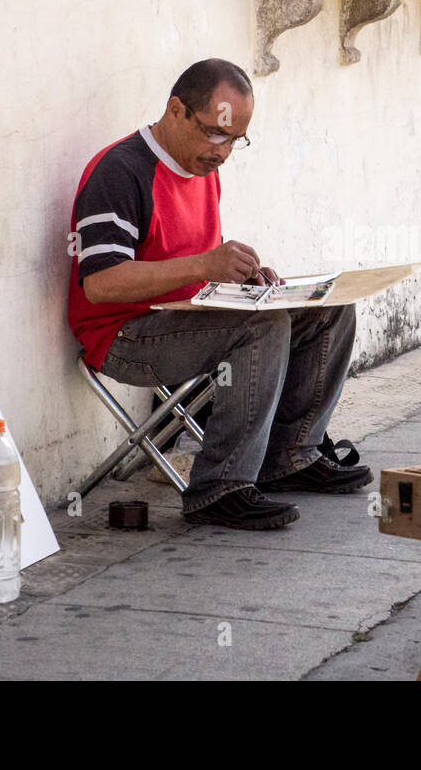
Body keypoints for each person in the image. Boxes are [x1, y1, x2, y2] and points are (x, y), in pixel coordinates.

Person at [67, 58, 370, 530]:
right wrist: (205, 265)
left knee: (329, 309)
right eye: (215, 133)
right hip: (122, 336)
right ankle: (219, 488)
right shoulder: (120, 171)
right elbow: (101, 284)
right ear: (175, 111)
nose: (223, 152)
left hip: (188, 319)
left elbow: (195, 271)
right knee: (261, 326)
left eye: (235, 140)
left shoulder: (202, 169)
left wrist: (241, 277)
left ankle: (291, 455)